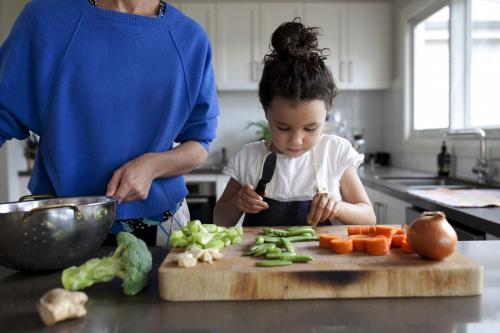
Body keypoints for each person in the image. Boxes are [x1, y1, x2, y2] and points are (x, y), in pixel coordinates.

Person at [0, 0, 219, 245]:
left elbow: (200, 142)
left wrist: (153, 166)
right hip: (60, 227)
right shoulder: (46, 20)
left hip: (164, 225)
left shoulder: (191, 40)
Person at [213, 18, 375, 228]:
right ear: (266, 112)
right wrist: (237, 204)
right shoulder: (249, 158)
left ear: (326, 114)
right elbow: (219, 220)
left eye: (310, 128)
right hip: (258, 260)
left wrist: (339, 207)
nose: (296, 140)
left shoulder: (334, 152)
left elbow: (369, 217)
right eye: (283, 127)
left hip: (323, 260)